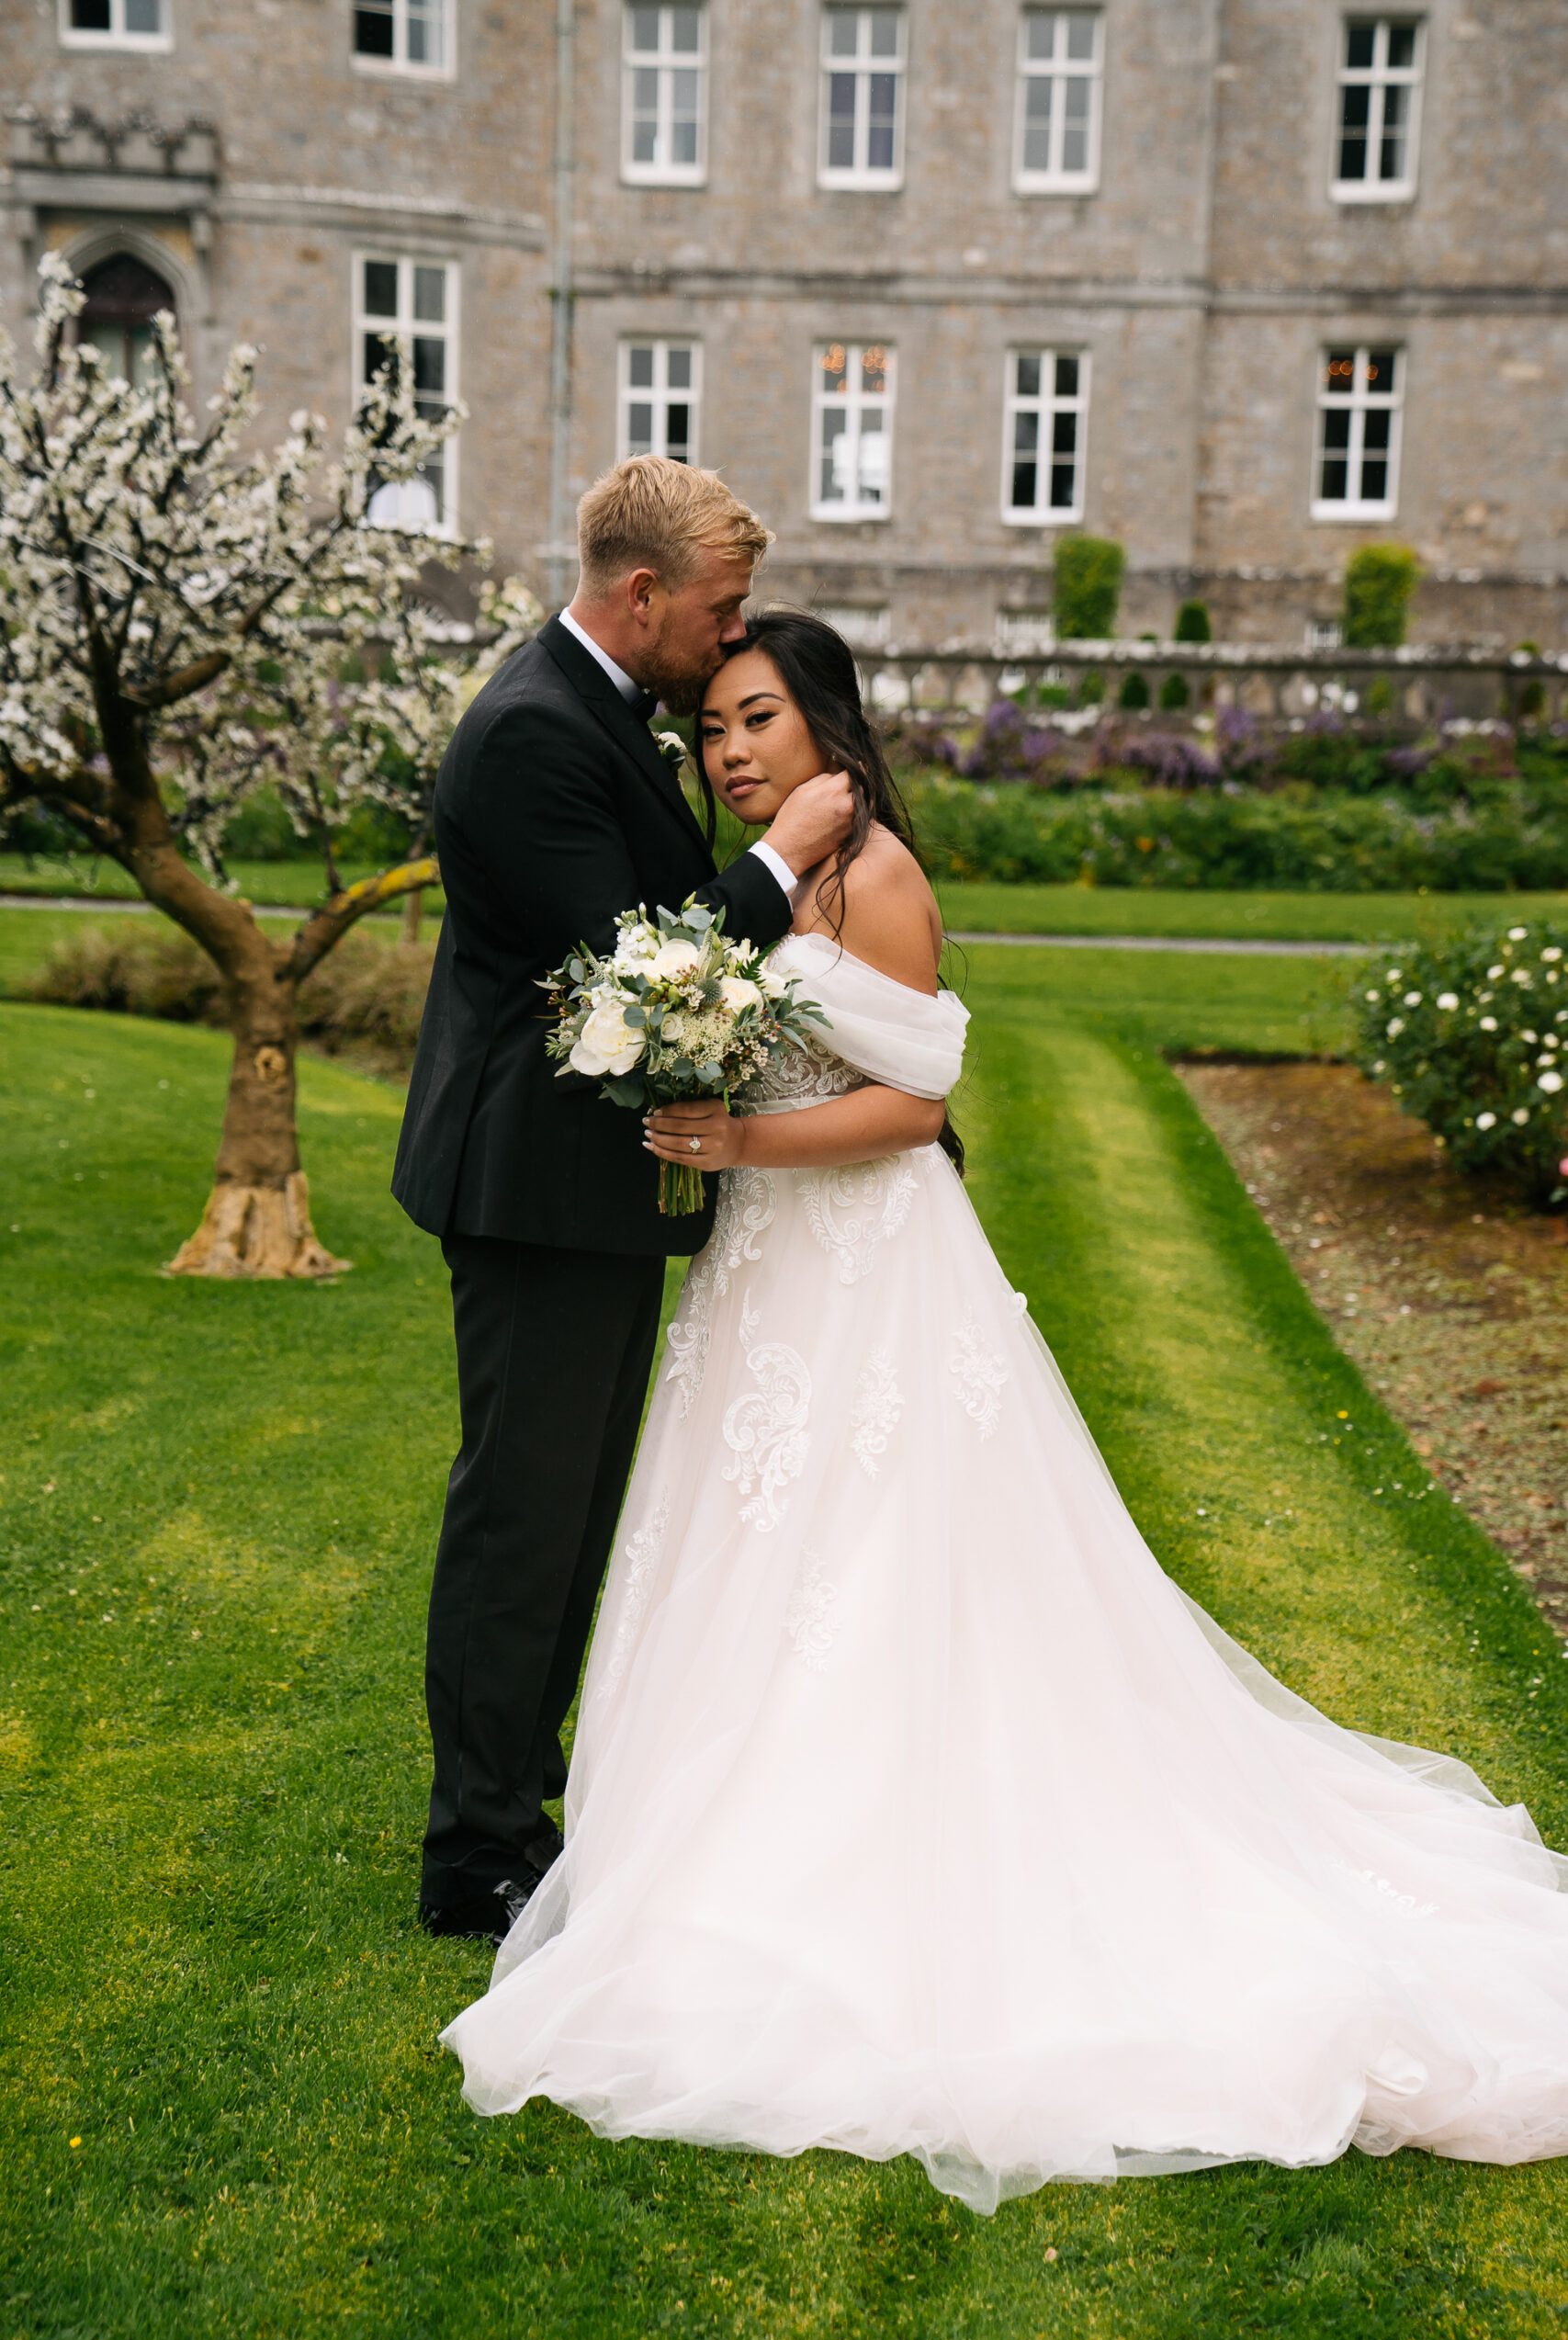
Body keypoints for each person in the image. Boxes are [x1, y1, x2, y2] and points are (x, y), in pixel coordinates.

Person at [440, 609, 1568, 2212]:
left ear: (826, 723)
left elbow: (913, 1107)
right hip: (758, 1284)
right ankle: (707, 1854)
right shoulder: (747, 882)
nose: (732, 749)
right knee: (746, 1555)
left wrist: (735, 1147)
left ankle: (882, 1848)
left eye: (760, 718)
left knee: (887, 1559)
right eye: (711, 728)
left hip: (867, 1271)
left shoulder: (877, 876)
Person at [392, 463, 854, 1946]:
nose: (728, 646)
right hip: (529, 1185)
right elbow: (644, 973)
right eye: (716, 616)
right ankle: (474, 1849)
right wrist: (783, 864)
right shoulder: (536, 731)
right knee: (522, 1516)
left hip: (585, 1187)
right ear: (640, 596)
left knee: (575, 1512)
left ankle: (521, 1802)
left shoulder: (602, 709)